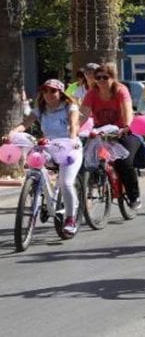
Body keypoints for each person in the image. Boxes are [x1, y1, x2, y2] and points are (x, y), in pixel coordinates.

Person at [9, 79, 82, 236]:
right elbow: (25, 123)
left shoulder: (70, 106)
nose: (49, 94)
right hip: (49, 146)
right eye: (46, 91)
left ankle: (70, 219)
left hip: (70, 147)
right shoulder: (40, 109)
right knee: (35, 162)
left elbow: (74, 124)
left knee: (66, 182)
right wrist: (12, 134)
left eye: (53, 91)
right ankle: (38, 191)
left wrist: (72, 140)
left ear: (61, 93)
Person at [80, 63, 142, 209]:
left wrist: (126, 126)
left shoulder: (121, 90)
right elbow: (83, 115)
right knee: (86, 160)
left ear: (113, 78)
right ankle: (88, 191)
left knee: (124, 162)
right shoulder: (92, 93)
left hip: (122, 132)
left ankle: (134, 195)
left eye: (105, 77)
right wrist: (73, 128)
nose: (101, 81)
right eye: (98, 77)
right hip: (101, 132)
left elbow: (127, 111)